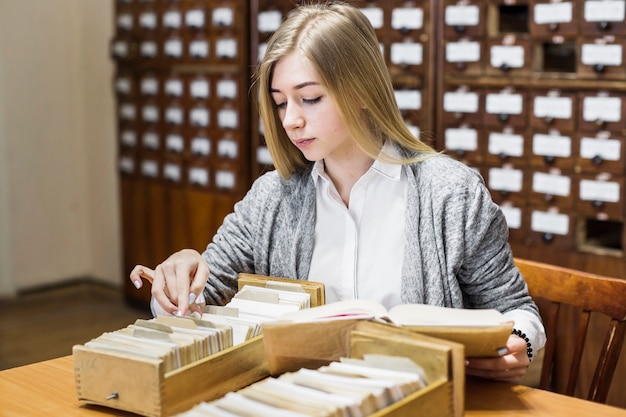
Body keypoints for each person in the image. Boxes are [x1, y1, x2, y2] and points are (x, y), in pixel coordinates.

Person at [130, 2, 546, 382]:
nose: (290, 120)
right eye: (280, 102)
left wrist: (519, 342)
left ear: (361, 91)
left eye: (309, 99)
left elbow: (518, 312)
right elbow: (199, 301)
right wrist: (176, 287)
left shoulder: (451, 195)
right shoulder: (270, 199)